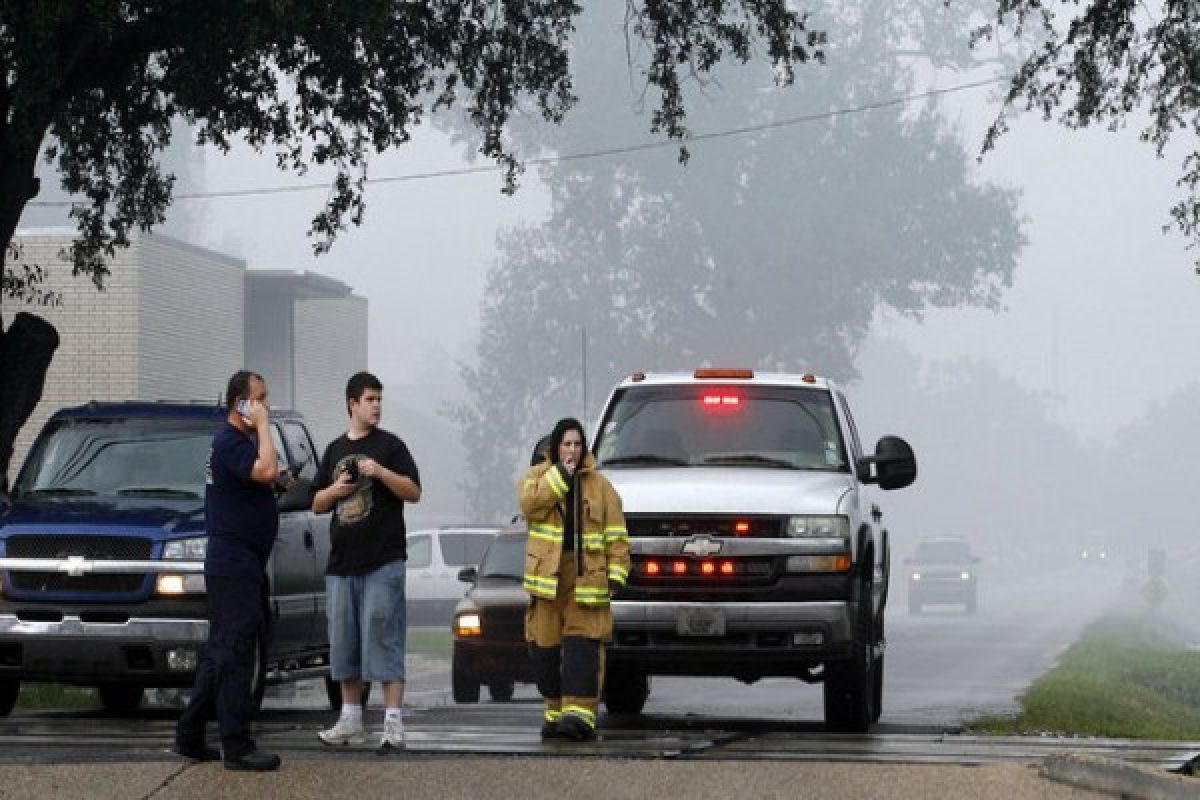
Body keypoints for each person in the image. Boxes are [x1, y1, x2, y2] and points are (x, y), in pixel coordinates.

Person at [173, 370, 283, 772]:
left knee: (220, 651)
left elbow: (266, 477)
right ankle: (236, 745)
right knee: (236, 653)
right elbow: (266, 471)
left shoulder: (237, 445)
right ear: (241, 404)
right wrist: (265, 427)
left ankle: (189, 736)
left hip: (240, 563)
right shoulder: (229, 441)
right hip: (233, 565)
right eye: (260, 398)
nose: (266, 405)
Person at [313, 371, 421, 751]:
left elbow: (414, 492)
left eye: (379, 399)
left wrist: (380, 472)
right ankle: (350, 718)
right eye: (370, 399)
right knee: (343, 642)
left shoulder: (392, 447)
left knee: (384, 636)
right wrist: (335, 488)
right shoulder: (333, 450)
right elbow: (316, 502)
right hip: (342, 564)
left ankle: (393, 723)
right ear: (351, 404)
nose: (376, 406)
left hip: (383, 562)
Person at [518, 417, 631, 742]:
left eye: (577, 444)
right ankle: (555, 713)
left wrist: (615, 578)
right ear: (555, 447)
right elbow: (531, 506)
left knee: (583, 649)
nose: (572, 450)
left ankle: (580, 716)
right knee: (545, 651)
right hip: (547, 581)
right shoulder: (536, 479)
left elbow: (617, 537)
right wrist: (560, 476)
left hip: (587, 581)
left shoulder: (601, 487)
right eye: (566, 444)